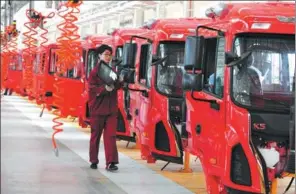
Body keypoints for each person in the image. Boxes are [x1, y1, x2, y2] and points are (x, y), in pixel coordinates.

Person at [88, 44, 123, 171]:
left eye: (110, 55)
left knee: (111, 136)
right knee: (95, 136)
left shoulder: (113, 71)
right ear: (99, 56)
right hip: (97, 109)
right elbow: (91, 89)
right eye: (106, 54)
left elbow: (117, 85)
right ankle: (93, 160)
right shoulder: (94, 73)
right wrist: (104, 89)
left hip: (111, 109)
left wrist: (121, 81)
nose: (108, 57)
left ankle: (111, 162)